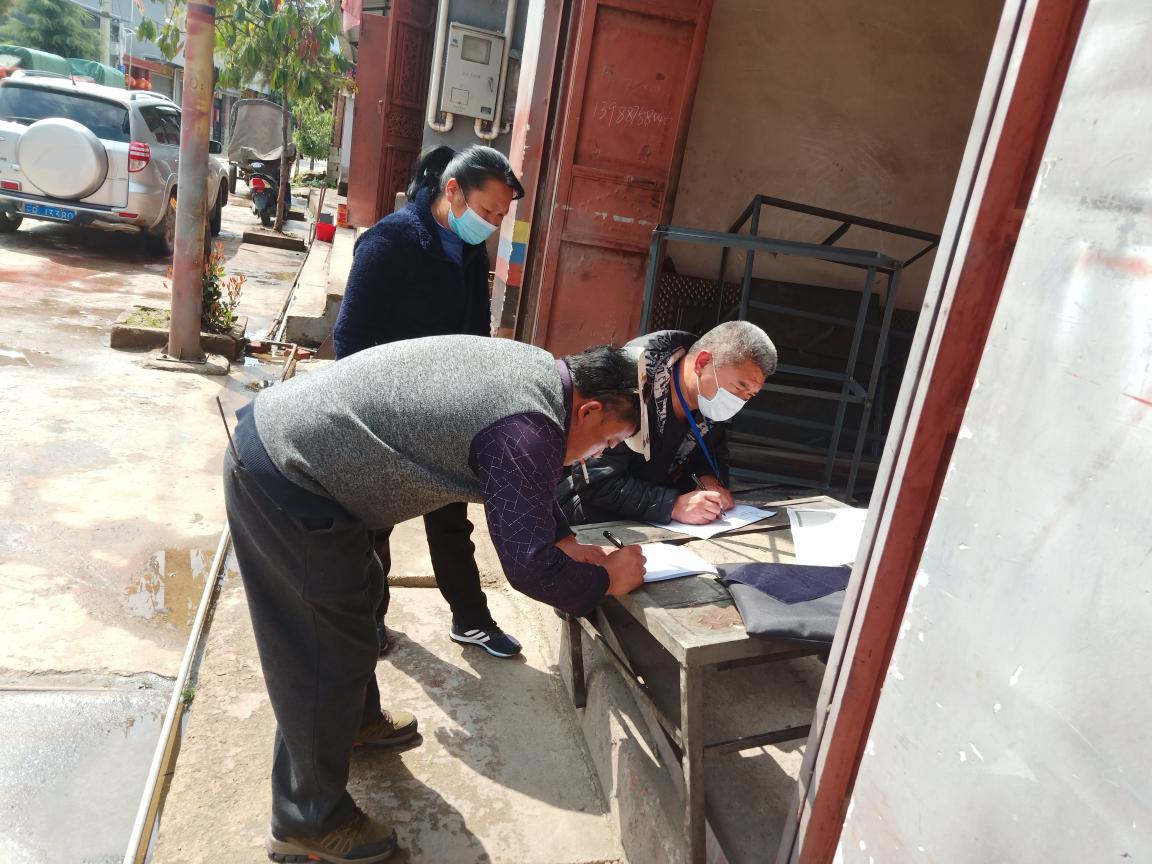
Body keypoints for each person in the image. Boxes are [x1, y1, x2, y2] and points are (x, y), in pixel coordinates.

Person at [222, 335, 646, 863]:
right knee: (320, 652)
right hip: (289, 472)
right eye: (609, 441)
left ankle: (353, 725)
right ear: (589, 409)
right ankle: (305, 820)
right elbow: (528, 568)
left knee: (357, 605)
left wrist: (562, 539)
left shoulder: (542, 379)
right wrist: (607, 582)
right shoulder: (527, 429)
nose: (601, 455)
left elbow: (529, 490)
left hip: (310, 455)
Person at [332, 145, 526, 659]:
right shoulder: (388, 244)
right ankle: (370, 621)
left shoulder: (469, 253)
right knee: (375, 525)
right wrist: (371, 414)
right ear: (453, 190)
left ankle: (471, 620)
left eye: (500, 217)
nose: (492, 224)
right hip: (384, 412)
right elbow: (349, 339)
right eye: (487, 211)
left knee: (450, 519)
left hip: (443, 411)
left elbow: (475, 336)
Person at [557, 321, 777, 526]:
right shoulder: (635, 382)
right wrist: (672, 505)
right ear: (702, 363)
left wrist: (708, 479)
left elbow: (712, 454)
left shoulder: (710, 402)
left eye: (750, 395)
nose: (740, 401)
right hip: (588, 518)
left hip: (658, 521)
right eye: (739, 388)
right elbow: (594, 481)